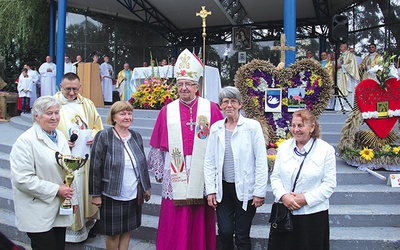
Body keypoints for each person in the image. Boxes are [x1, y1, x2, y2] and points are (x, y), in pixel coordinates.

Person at [147, 48, 224, 250]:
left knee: (199, 215)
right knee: (175, 216)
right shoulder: (167, 110)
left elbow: (220, 143)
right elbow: (157, 144)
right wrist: (158, 170)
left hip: (202, 170)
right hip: (175, 170)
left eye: (188, 84)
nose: (183, 88)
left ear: (196, 86)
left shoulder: (211, 108)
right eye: (180, 84)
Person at [204, 86, 268, 250]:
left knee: (242, 234)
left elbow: (261, 160)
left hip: (246, 189)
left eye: (233, 101)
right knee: (224, 231)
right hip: (223, 189)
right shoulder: (216, 128)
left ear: (240, 104)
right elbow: (210, 161)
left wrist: (259, 191)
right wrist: (210, 190)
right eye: (225, 102)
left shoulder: (252, 127)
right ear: (221, 106)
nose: (229, 105)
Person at [10, 96, 76, 250]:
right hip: (37, 209)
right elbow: (22, 179)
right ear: (37, 116)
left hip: (59, 207)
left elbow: (70, 172)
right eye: (48, 113)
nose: (54, 117)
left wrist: (74, 200)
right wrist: (56, 190)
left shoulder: (59, 136)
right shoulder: (25, 141)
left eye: (56, 112)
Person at [268, 109, 336, 250]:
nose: (296, 130)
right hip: (285, 212)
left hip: (313, 215)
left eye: (300, 126)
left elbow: (329, 184)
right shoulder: (284, 147)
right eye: (293, 125)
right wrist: (284, 196)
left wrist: (305, 199)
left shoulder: (326, 150)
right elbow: (275, 177)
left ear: (312, 127)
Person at [89, 101, 151, 250]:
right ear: (113, 117)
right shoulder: (104, 136)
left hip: (132, 193)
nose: (127, 117)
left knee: (126, 229)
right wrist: (95, 194)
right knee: (113, 234)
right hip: (112, 193)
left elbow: (142, 165)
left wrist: (146, 187)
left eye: (129, 113)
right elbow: (95, 166)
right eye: (122, 114)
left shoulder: (136, 136)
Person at [54, 72, 104, 243]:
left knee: (84, 192)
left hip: (84, 159)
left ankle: (86, 225)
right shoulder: (52, 104)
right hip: (61, 159)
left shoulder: (87, 104)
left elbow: (98, 126)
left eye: (75, 89)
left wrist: (94, 135)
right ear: (61, 86)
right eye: (67, 89)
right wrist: (60, 140)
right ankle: (65, 228)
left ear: (80, 87)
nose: (71, 93)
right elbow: (41, 127)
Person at [336, 42, 359, 111]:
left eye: (341, 46)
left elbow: (352, 65)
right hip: (340, 76)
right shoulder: (341, 56)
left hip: (346, 76)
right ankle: (339, 107)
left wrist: (342, 66)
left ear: (345, 47)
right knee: (340, 90)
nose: (340, 48)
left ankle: (347, 107)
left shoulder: (350, 55)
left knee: (347, 91)